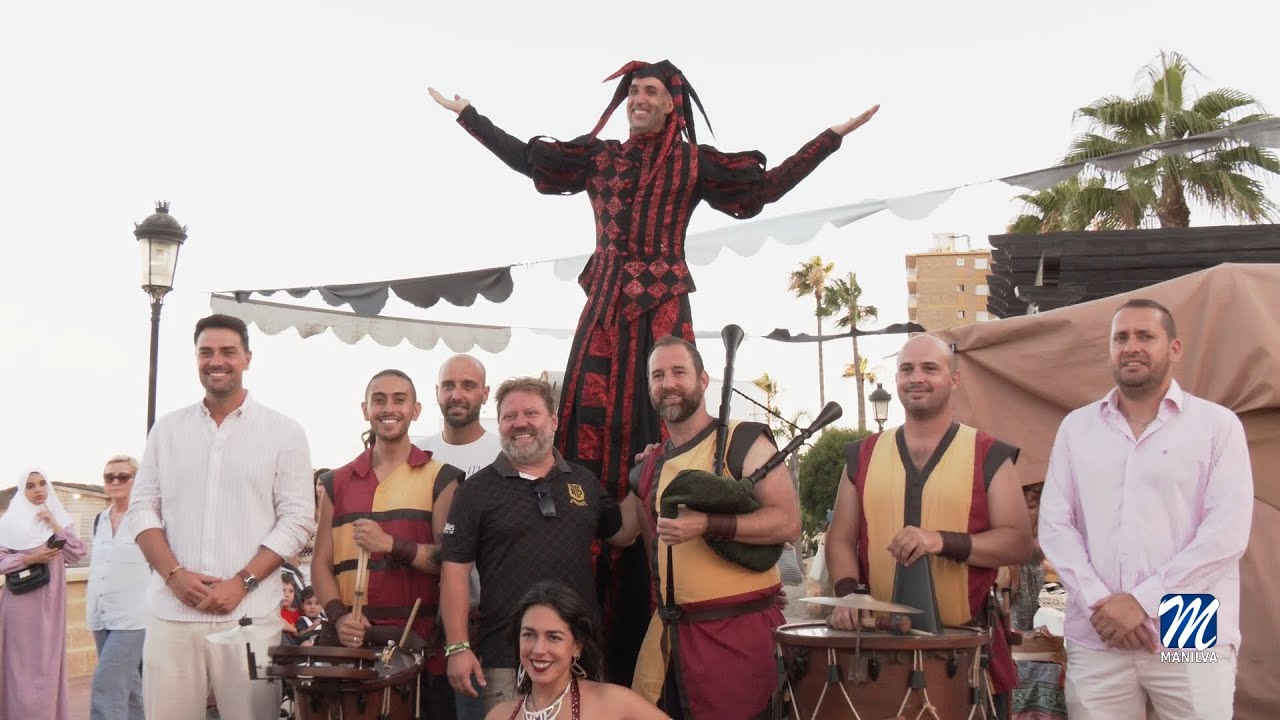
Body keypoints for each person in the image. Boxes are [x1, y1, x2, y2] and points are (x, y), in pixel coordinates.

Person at [429, 65, 878, 680]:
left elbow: (763, 190)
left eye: (651, 93)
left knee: (667, 431)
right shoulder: (600, 158)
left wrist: (829, 138)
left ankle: (652, 611)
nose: (639, 100)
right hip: (605, 312)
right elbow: (531, 162)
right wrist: (471, 118)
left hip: (663, 307)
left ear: (672, 106)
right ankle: (580, 607)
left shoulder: (694, 164)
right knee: (582, 447)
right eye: (633, 92)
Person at [1039, 299, 1253, 719]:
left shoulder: (1216, 425)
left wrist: (1142, 602)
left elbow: (1225, 533)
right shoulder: (1077, 428)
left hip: (1190, 621)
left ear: (1174, 348)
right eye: (1121, 337)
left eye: (1145, 336)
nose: (1131, 346)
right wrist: (1104, 604)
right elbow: (1055, 526)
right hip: (1098, 629)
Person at [824, 334, 1033, 718]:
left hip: (965, 645)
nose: (915, 377)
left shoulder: (988, 454)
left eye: (929, 368)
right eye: (907, 369)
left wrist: (941, 541)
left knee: (1179, 692)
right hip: (880, 647)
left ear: (954, 379)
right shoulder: (862, 455)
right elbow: (840, 538)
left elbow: (1019, 543)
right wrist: (848, 594)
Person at [124, 313, 315, 719]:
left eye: (228, 352)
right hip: (171, 616)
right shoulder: (167, 430)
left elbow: (298, 519)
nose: (217, 361)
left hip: (248, 617)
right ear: (196, 360)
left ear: (247, 358)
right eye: (206, 352)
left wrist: (241, 582)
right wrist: (174, 577)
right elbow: (142, 509)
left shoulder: (284, 432)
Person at [440, 377, 642, 713]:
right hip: (505, 662)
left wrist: (644, 476)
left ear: (553, 421)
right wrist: (457, 648)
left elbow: (623, 533)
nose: (519, 423)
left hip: (578, 657)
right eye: (509, 416)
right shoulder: (475, 491)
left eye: (530, 413)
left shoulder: (584, 482)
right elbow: (454, 572)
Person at [629, 336, 801, 719]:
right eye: (657, 376)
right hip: (670, 639)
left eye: (678, 372)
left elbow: (788, 522)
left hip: (739, 638)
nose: (668, 383)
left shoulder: (744, 441)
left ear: (703, 380)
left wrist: (707, 523)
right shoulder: (648, 466)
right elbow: (641, 541)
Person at [312, 368, 465, 717]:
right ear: (365, 409)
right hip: (349, 644)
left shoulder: (441, 478)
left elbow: (448, 559)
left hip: (417, 643)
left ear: (416, 409)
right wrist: (337, 617)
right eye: (378, 400)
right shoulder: (337, 481)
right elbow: (321, 563)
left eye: (399, 399)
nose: (388, 408)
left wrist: (391, 543)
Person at [416, 353, 502, 719]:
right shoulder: (418, 453)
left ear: (485, 393)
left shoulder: (506, 451)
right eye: (449, 385)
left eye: (468, 385)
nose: (457, 394)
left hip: (492, 623)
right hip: (424, 621)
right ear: (436, 392)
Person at [486, 581, 669, 720]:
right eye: (529, 635)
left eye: (554, 637)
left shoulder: (610, 701)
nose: (539, 649)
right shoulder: (499, 715)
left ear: (577, 646)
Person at [0, 469, 87, 720]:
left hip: (52, 605)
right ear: (21, 491)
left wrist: (54, 523)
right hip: (21, 606)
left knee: (48, 666)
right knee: (21, 668)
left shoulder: (57, 518)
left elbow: (77, 552)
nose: (38, 490)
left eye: (42, 484)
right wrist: (30, 558)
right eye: (30, 485)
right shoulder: (9, 524)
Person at [85, 454, 149, 720]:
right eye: (109, 476)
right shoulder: (99, 520)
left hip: (133, 617)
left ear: (137, 480)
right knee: (131, 688)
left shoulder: (146, 518)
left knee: (107, 683)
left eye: (123, 476)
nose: (115, 481)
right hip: (100, 615)